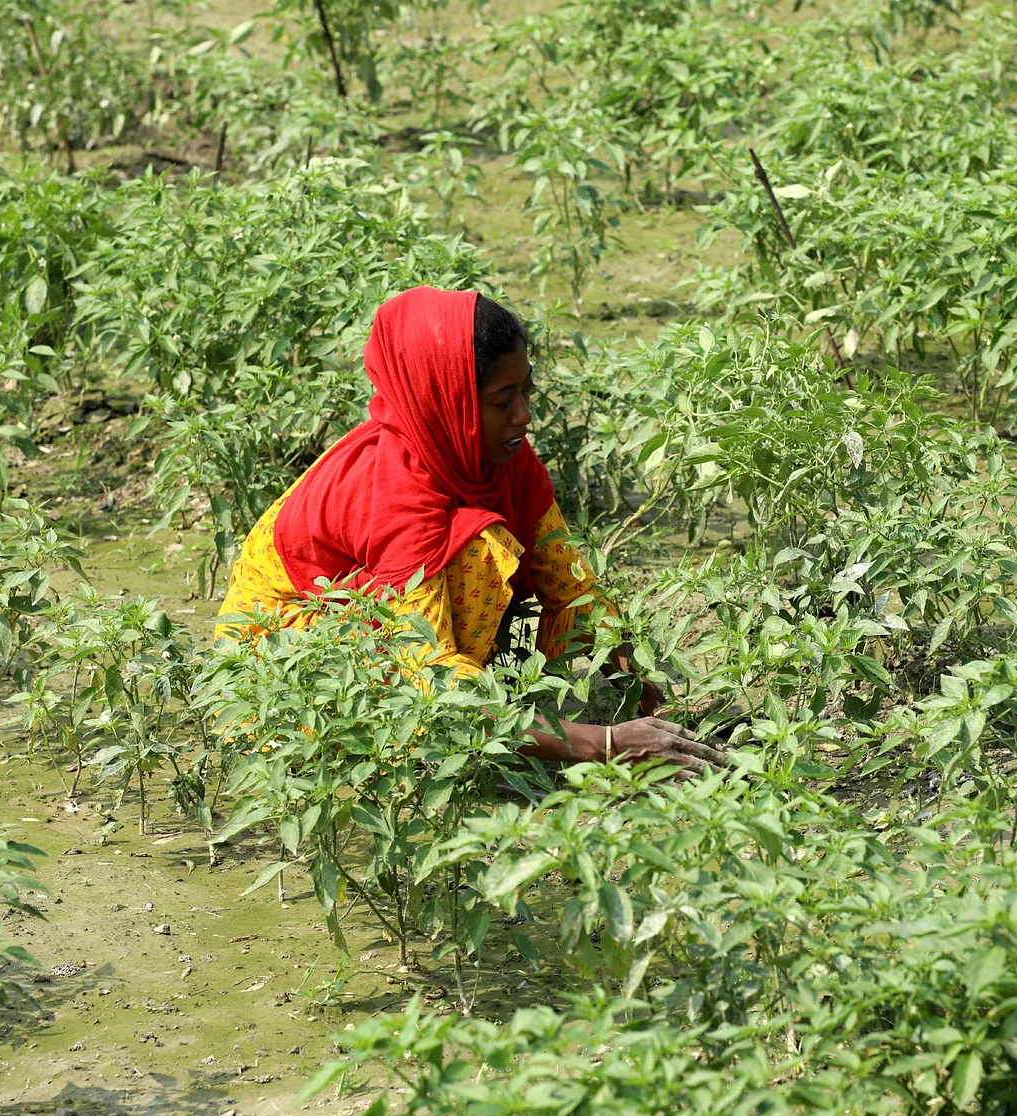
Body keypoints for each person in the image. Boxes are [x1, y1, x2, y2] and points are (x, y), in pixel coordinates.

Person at [216, 286, 720, 776]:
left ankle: (511, 709)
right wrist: (600, 744)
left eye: (527, 391)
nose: (524, 415)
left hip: (400, 639)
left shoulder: (503, 461)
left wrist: (646, 690)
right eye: (504, 401)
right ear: (449, 401)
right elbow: (429, 678)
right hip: (286, 672)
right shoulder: (397, 497)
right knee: (481, 551)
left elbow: (570, 591)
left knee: (535, 592)